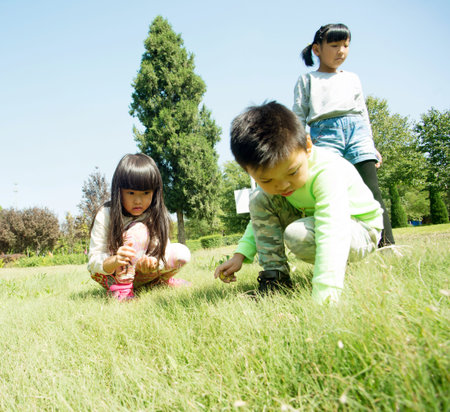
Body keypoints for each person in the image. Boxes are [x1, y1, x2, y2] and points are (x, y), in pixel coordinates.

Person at [214, 102, 383, 304]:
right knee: (259, 198)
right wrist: (240, 255)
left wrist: (325, 296)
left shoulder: (327, 172)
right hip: (313, 219)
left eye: (292, 172)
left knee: (298, 234)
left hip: (360, 229)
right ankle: (276, 280)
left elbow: (332, 231)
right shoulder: (280, 184)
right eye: (267, 180)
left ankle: (335, 271)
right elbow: (260, 221)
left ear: (308, 147)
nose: (283, 185)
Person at [293, 23, 394, 247]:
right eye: (335, 45)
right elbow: (298, 115)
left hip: (357, 133)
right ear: (317, 49)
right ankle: (339, 246)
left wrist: (371, 143)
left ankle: (387, 246)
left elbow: (362, 112)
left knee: (372, 190)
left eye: (346, 45)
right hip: (325, 135)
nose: (341, 51)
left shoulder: (352, 78)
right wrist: (298, 147)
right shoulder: (307, 80)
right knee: (333, 191)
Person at [88, 153, 191, 301]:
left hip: (142, 274)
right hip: (111, 274)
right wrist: (116, 260)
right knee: (138, 230)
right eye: (131, 193)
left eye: (146, 193)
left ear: (155, 193)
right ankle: (122, 291)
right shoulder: (106, 214)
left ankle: (158, 282)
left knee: (182, 253)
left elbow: (164, 250)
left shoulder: (155, 214)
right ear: (118, 191)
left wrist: (153, 263)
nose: (138, 200)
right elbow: (93, 262)